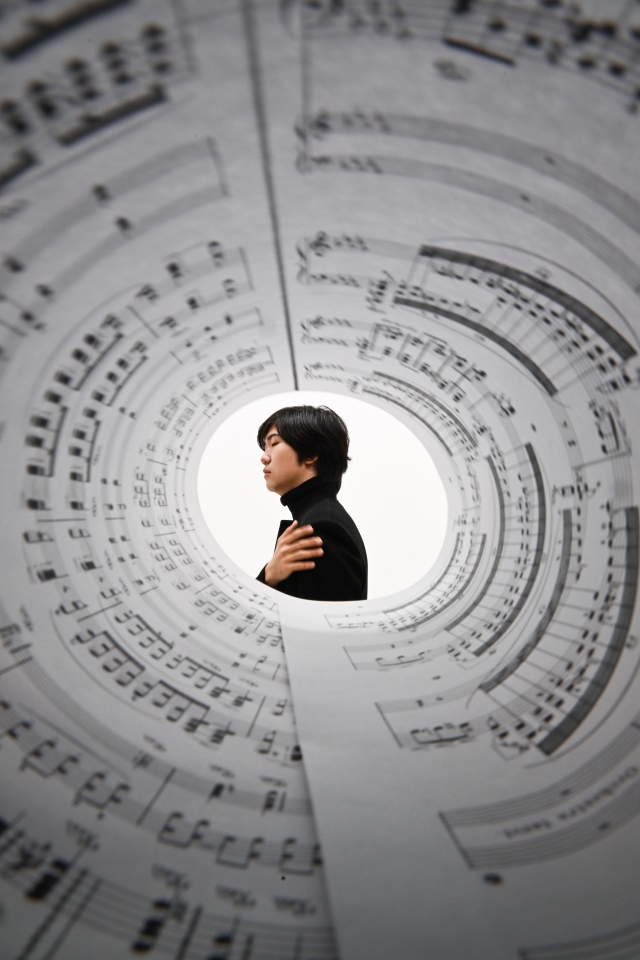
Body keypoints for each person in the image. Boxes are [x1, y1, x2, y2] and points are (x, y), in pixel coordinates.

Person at [255, 405, 368, 601]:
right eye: (265, 447)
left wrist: (266, 578)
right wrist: (269, 575)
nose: (264, 457)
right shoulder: (321, 518)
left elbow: (326, 628)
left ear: (310, 454)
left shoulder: (322, 528)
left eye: (274, 443)